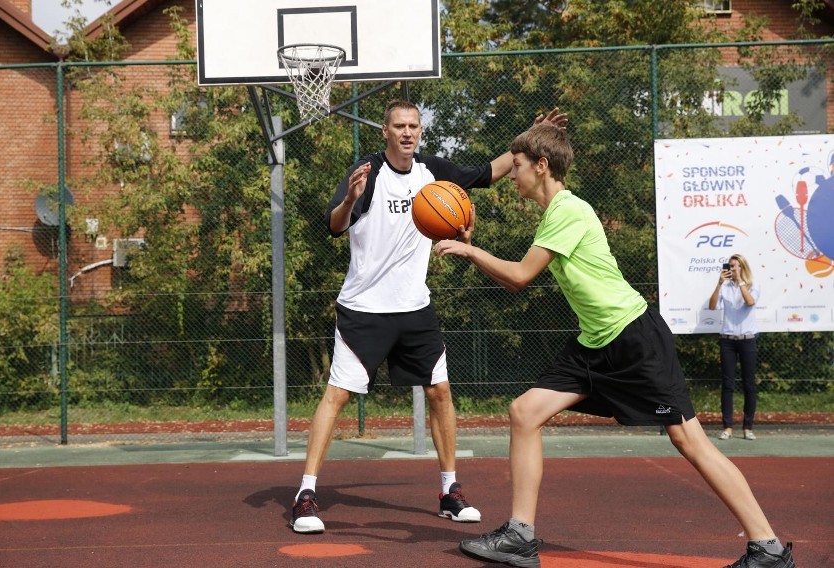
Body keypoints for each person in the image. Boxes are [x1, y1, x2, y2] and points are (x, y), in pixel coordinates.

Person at [433, 125, 795, 568]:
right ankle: (520, 536)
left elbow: (520, 277)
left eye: (519, 166)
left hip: (633, 338)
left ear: (542, 166)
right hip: (595, 341)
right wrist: (477, 251)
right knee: (525, 411)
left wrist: (471, 252)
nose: (512, 175)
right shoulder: (554, 214)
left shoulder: (568, 210)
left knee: (690, 441)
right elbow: (516, 279)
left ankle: (768, 548)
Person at [289, 100, 569, 534]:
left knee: (440, 391)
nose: (407, 133)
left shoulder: (430, 172)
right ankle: (305, 494)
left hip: (415, 307)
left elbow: (485, 173)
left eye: (413, 126)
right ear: (385, 131)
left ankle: (449, 491)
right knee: (337, 396)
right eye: (399, 126)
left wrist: (529, 140)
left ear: (421, 131)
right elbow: (333, 225)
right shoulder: (367, 173)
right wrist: (349, 200)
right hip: (365, 309)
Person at [709, 254, 760, 441]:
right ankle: (728, 427)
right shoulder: (725, 287)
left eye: (737, 266)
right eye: (731, 266)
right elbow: (712, 306)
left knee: (749, 384)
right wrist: (719, 284)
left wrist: (740, 283)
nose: (734, 269)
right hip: (727, 340)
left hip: (747, 339)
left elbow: (750, 302)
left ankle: (748, 427)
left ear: (743, 267)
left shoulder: (753, 285)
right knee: (728, 385)